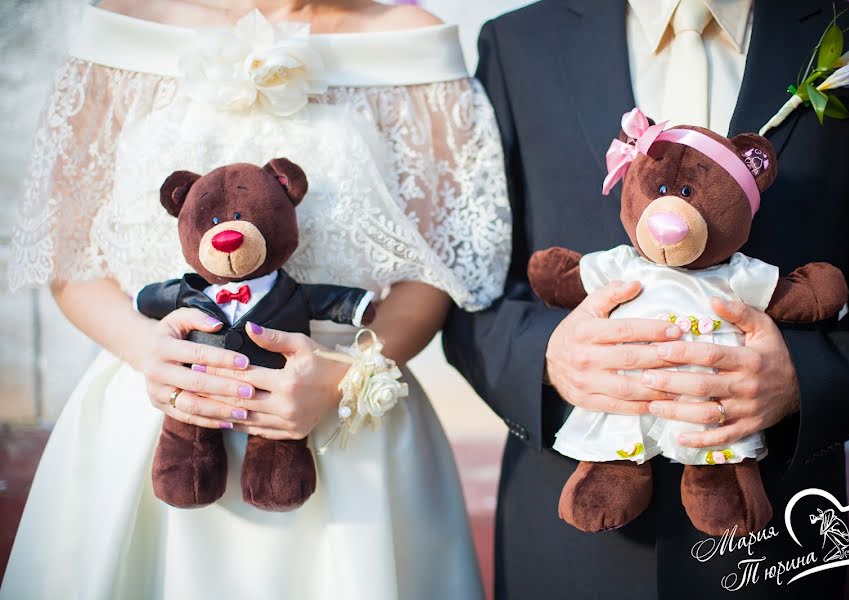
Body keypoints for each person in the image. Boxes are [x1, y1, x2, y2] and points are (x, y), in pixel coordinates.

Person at [3, 1, 511, 598]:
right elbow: (68, 258)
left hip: (350, 436)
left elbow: (440, 273)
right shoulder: (124, 21)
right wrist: (149, 350)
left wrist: (342, 380)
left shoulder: (412, 41)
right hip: (148, 421)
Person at [443, 0, 849, 598]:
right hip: (569, 532)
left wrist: (804, 377)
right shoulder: (517, 43)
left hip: (772, 532)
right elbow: (463, 286)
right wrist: (548, 356)